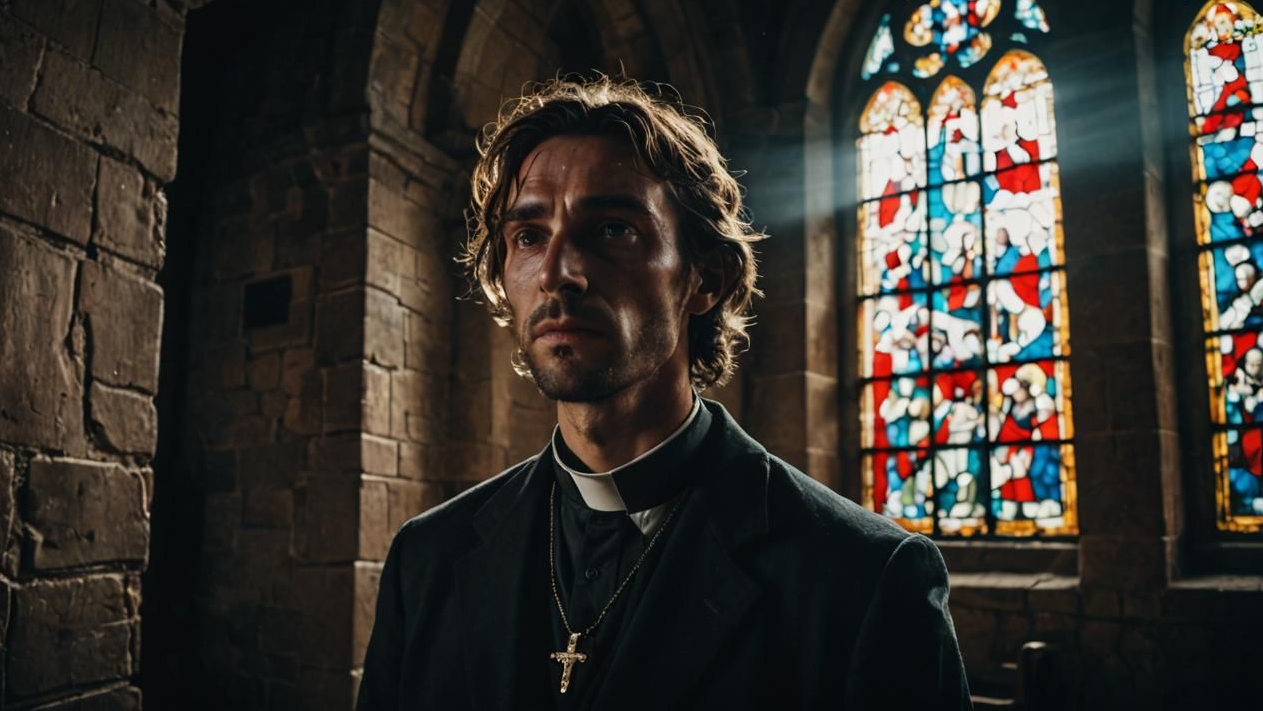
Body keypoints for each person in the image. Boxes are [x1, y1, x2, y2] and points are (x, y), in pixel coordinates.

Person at [356, 76, 971, 710]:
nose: (557, 272)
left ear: (705, 277)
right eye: (529, 237)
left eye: (612, 230)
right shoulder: (425, 560)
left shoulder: (865, 581)